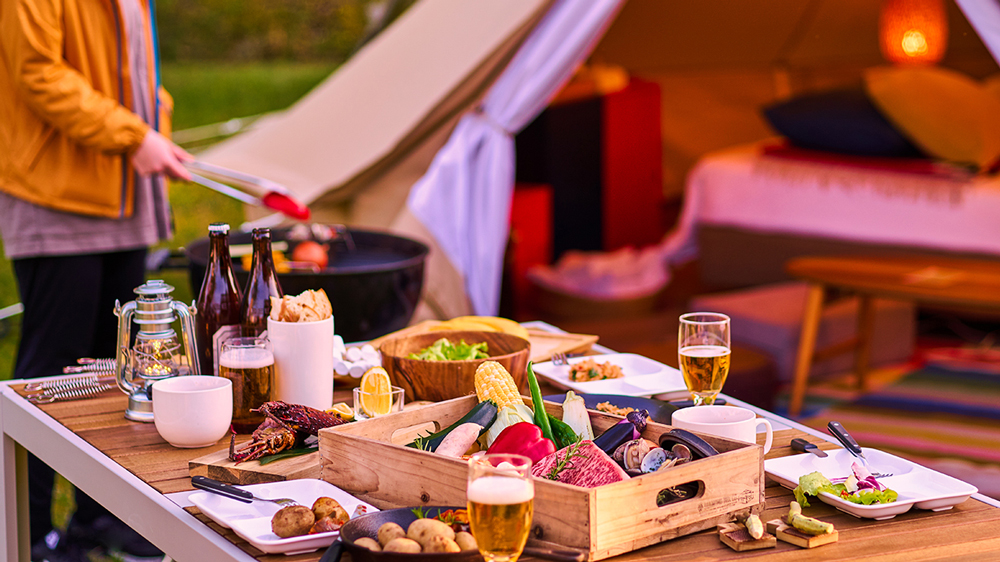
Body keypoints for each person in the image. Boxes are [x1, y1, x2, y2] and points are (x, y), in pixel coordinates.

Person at [0, 0, 191, 559]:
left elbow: (133, 66)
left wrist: (156, 127)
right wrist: (134, 136)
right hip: (55, 197)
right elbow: (38, 73)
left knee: (113, 369)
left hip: (123, 196)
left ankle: (97, 519)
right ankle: (28, 536)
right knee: (50, 376)